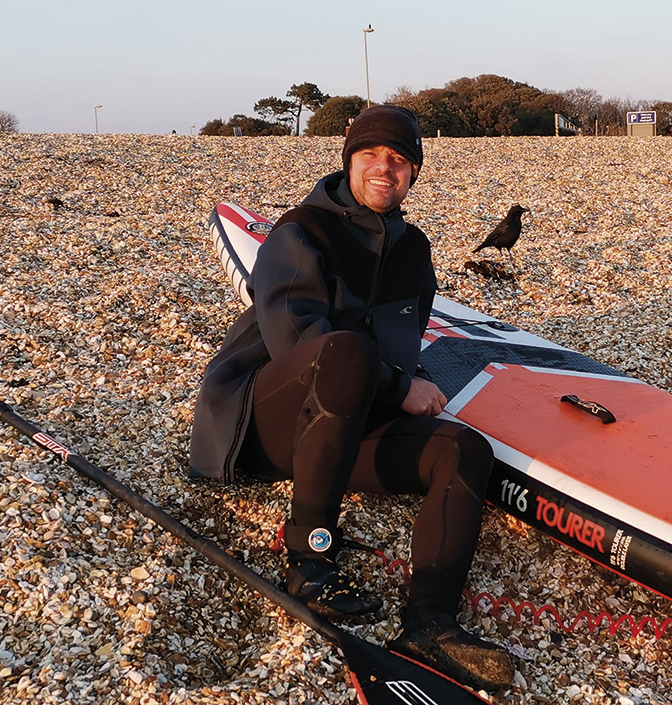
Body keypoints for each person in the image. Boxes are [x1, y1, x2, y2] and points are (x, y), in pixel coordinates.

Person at [189, 105, 514, 692]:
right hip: (259, 427)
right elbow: (298, 341)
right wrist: (401, 388)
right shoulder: (300, 232)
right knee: (347, 351)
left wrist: (407, 384)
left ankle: (430, 623)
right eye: (370, 155)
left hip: (341, 431)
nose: (384, 168)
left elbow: (402, 346)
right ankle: (310, 559)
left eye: (399, 159)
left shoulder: (414, 250)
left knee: (465, 449)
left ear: (414, 171)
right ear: (348, 161)